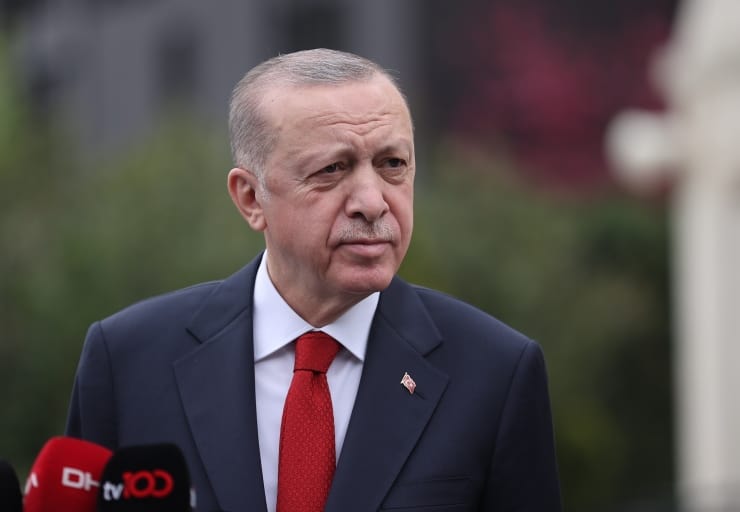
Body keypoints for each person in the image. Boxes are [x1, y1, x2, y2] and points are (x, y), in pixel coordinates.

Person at [66, 48, 561, 512]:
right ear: (251, 198)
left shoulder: (495, 372)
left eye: (392, 164)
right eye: (331, 169)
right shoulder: (128, 361)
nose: (372, 202)